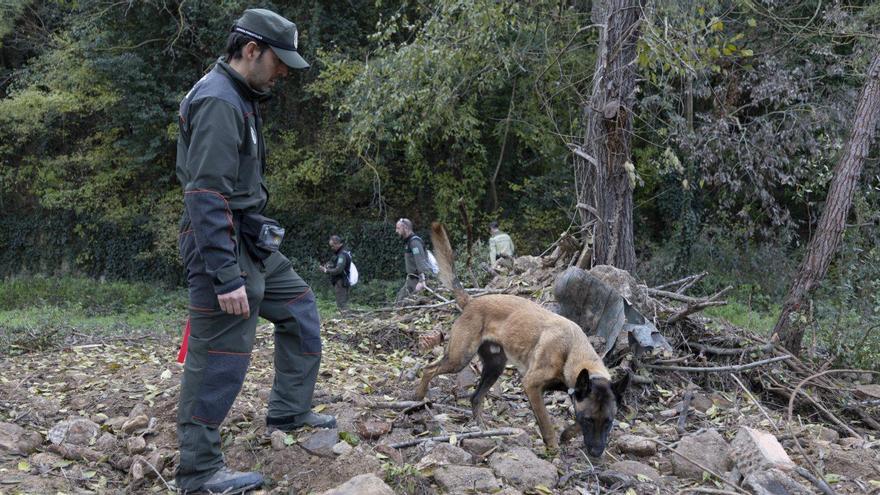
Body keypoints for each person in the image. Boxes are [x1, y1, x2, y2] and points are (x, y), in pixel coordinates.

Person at [174, 9, 335, 493]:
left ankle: (288, 411)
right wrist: (225, 276)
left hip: (250, 239)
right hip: (220, 244)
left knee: (300, 308)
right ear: (251, 50)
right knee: (220, 354)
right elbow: (205, 194)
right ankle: (199, 473)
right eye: (279, 61)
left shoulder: (242, 96)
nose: (284, 71)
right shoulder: (220, 101)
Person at [394, 218, 433, 304]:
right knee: (399, 300)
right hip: (411, 279)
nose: (396, 231)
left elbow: (420, 261)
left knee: (404, 302)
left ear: (406, 228)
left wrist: (422, 281)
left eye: (398, 228)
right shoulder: (408, 242)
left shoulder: (414, 242)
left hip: (417, 280)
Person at [320, 234, 351, 312]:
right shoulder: (339, 253)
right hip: (339, 281)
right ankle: (345, 320)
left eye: (333, 246)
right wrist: (328, 265)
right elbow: (334, 263)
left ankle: (346, 320)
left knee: (342, 304)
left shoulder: (342, 255)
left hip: (341, 281)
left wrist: (326, 270)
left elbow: (338, 270)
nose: (332, 248)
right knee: (340, 303)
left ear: (337, 244)